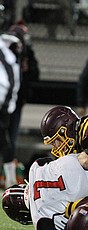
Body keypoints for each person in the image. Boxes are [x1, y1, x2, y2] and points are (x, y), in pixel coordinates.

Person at [7, 21, 39, 158]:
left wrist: (28, 60)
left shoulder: (27, 55)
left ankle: (7, 170)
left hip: (17, 101)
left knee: (12, 138)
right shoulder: (5, 54)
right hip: (4, 102)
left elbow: (35, 75)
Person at [0, 27, 20, 188]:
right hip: (6, 104)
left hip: (4, 104)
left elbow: (8, 83)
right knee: (4, 139)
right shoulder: (8, 56)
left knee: (4, 139)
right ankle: (10, 179)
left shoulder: (7, 56)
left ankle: (10, 179)